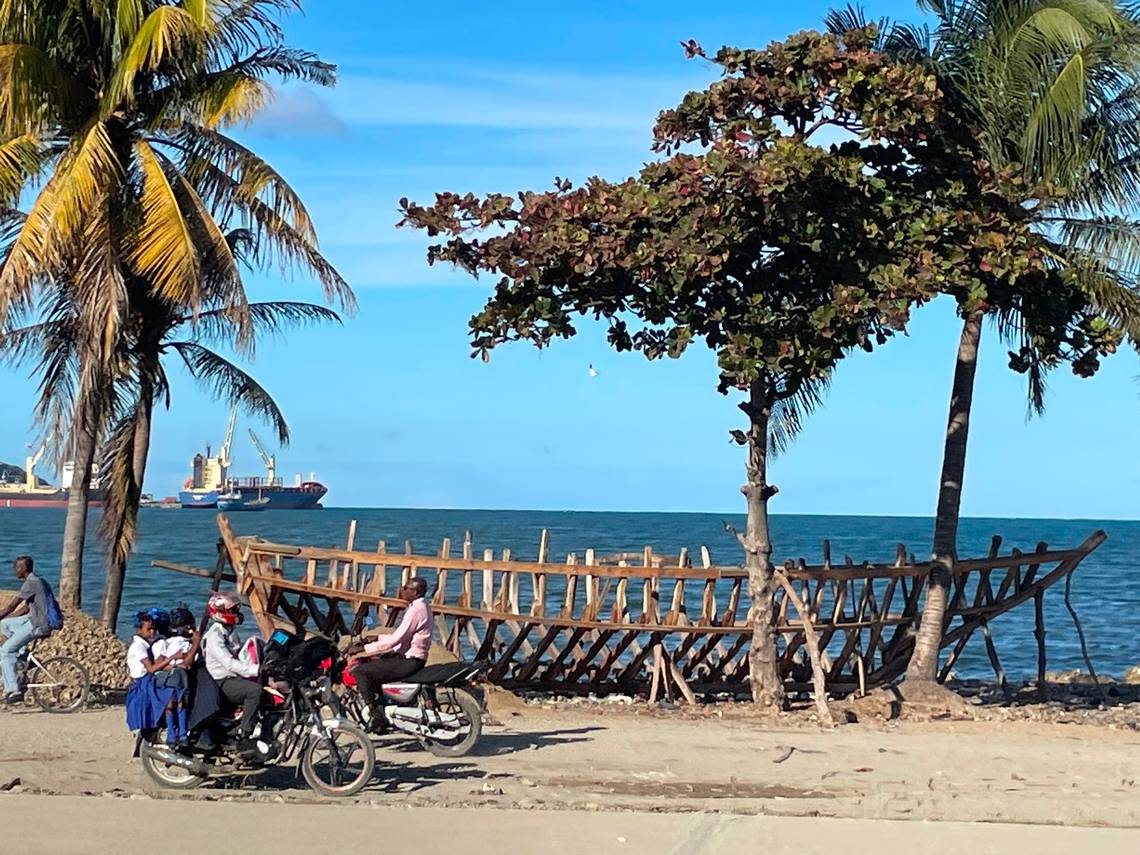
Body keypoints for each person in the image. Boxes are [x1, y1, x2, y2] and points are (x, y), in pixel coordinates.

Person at [349, 577, 432, 731]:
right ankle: (383, 708)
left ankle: (376, 716)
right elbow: (401, 635)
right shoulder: (421, 606)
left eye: (407, 588)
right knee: (376, 663)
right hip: (410, 657)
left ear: (416, 592)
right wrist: (376, 637)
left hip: (409, 660)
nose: (403, 590)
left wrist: (363, 649)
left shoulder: (416, 610)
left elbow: (396, 640)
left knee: (360, 671)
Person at [201, 592, 261, 746]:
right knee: (254, 691)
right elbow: (229, 663)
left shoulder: (229, 630)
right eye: (233, 610)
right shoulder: (215, 635)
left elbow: (240, 653)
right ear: (220, 612)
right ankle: (245, 731)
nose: (236, 613)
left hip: (233, 676)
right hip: (222, 680)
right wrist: (256, 670)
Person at [0, 556, 58, 703]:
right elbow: (25, 608)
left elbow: (11, 606)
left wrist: (3, 614)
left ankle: (14, 690)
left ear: (23, 569)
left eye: (16, 567)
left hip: (39, 624)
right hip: (33, 619)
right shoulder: (37, 581)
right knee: (5, 624)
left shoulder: (31, 583)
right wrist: (6, 618)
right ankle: (23, 656)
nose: (14, 571)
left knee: (5, 651)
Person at [152, 607, 200, 745]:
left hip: (165, 679)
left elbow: (160, 664)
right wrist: (195, 644)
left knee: (170, 706)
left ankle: (172, 736)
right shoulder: (185, 644)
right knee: (181, 705)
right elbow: (188, 663)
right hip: (179, 678)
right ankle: (182, 734)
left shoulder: (164, 643)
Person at [125, 612, 176, 733]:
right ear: (139, 630)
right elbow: (151, 669)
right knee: (169, 696)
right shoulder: (139, 646)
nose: (152, 632)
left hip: (146, 679)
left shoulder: (146, 645)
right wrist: (171, 658)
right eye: (148, 629)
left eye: (153, 628)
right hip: (143, 682)